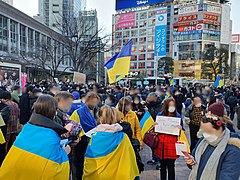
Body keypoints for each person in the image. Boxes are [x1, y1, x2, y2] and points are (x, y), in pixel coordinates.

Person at [0, 95, 70, 179]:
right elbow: (55, 168)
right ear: (54, 111)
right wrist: (64, 152)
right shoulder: (51, 134)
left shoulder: (27, 128)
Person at [83, 105, 139, 179]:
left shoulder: (93, 137)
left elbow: (89, 159)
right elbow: (130, 159)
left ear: (100, 119)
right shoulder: (123, 137)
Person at [185, 105, 240, 180]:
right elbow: (195, 161)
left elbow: (229, 176)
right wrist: (190, 161)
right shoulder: (203, 141)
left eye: (208, 131)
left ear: (219, 129)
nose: (205, 134)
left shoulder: (232, 150)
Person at [70, 92, 100, 180]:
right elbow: (72, 126)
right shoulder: (78, 112)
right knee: (79, 166)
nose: (93, 104)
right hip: (81, 143)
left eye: (95, 102)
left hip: (94, 143)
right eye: (92, 102)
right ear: (87, 101)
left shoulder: (98, 112)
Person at [154, 98, 184, 180]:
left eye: (173, 105)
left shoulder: (177, 116)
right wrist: (155, 126)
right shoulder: (160, 115)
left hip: (172, 145)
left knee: (171, 167)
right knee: (162, 167)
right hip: (162, 145)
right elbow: (156, 131)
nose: (172, 107)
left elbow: (182, 132)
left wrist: (180, 129)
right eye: (170, 105)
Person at [145, 92, 162, 169]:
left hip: (158, 126)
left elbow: (156, 114)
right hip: (151, 126)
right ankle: (154, 158)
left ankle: (159, 161)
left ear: (155, 98)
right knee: (152, 143)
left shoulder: (160, 105)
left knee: (157, 144)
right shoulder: (151, 104)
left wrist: (148, 110)